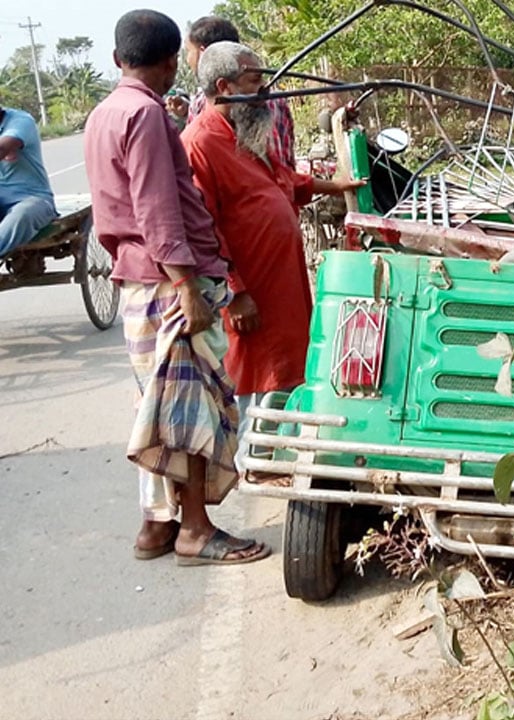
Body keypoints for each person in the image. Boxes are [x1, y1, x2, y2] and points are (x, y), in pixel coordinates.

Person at [84, 9, 269, 565]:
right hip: (168, 285)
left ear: (118, 59)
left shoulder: (103, 113)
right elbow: (157, 208)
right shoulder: (145, 116)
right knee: (192, 411)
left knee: (159, 406)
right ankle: (195, 530)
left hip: (142, 282)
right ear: (170, 63)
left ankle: (156, 527)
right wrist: (188, 285)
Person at [183, 41, 362, 450]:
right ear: (225, 87)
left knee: (287, 372)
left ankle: (280, 452)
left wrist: (336, 185)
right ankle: (255, 460)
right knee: (255, 379)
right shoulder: (200, 143)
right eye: (255, 80)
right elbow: (203, 228)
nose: (265, 89)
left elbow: (282, 180)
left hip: (282, 284)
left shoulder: (243, 132)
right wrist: (236, 293)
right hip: (251, 291)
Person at [184, 16, 296, 170]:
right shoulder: (278, 101)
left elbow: (287, 175)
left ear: (203, 53)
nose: (264, 86)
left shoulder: (200, 103)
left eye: (188, 51)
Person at [0, 106, 58, 258]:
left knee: (22, 215)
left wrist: (7, 150)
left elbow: (3, 147)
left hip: (34, 198)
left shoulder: (21, 121)